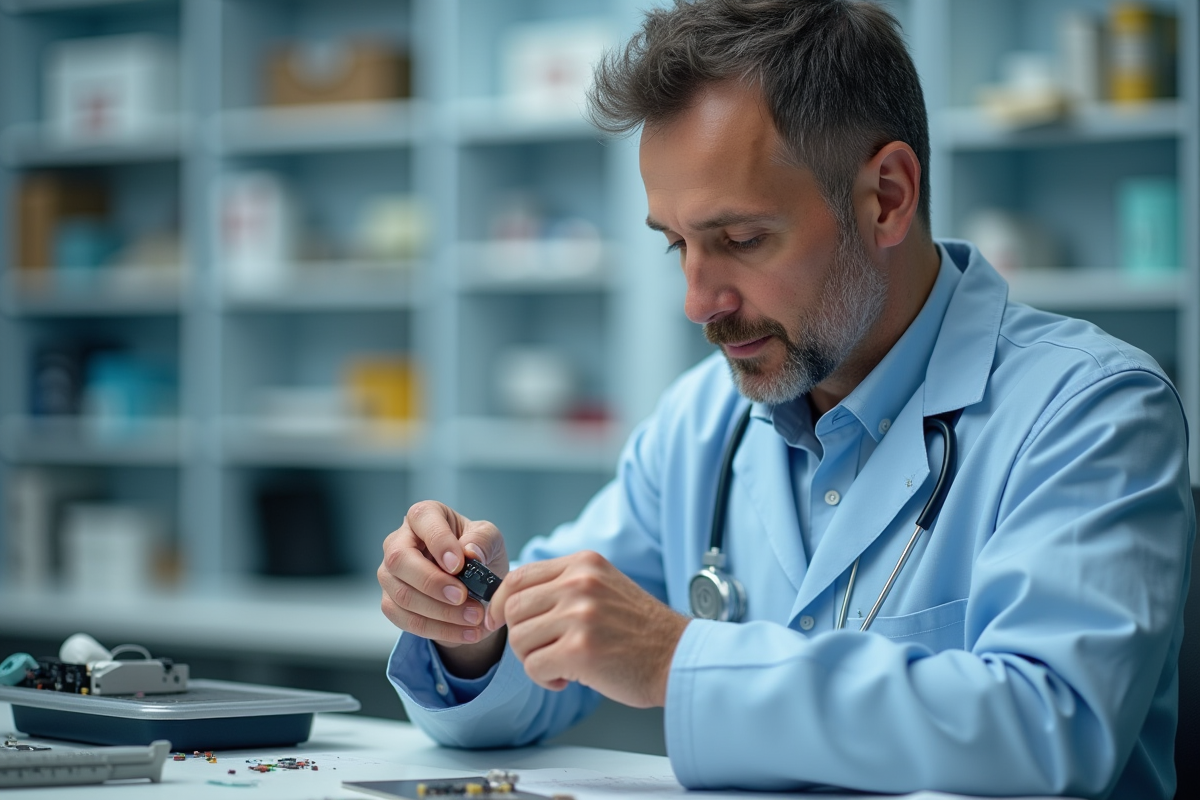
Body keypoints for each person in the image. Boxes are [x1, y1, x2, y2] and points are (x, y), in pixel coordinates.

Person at [377, 1, 1194, 797]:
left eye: (739, 240)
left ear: (888, 197)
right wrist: (469, 630)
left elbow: (1056, 727)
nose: (699, 302)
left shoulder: (1094, 412)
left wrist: (675, 660)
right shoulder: (703, 423)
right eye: (677, 245)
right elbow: (536, 678)